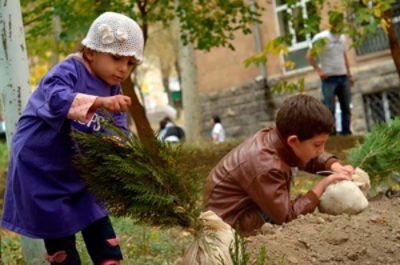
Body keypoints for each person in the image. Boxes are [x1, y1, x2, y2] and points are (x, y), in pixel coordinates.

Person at [1, 12, 144, 264]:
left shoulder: (113, 86)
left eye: (131, 63)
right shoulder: (69, 70)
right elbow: (56, 99)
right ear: (90, 53)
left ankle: (108, 259)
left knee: (97, 218)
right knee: (59, 233)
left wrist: (121, 148)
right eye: (117, 58)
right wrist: (99, 102)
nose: (123, 68)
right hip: (42, 165)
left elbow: (115, 128)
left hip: (76, 165)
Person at [204, 95, 353, 236]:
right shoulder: (266, 166)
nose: (321, 150)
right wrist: (322, 185)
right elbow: (287, 216)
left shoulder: (279, 139)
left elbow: (305, 156)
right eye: (318, 145)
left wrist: (333, 166)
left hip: (246, 208)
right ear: (293, 141)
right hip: (230, 223)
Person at [306, 11, 353, 135]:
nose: (339, 24)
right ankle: (331, 134)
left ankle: (346, 132)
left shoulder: (342, 37)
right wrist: (319, 70)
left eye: (340, 22)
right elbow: (309, 56)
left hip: (343, 77)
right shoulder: (321, 38)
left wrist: (349, 74)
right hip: (329, 78)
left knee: (346, 108)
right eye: (337, 22)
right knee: (329, 109)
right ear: (332, 23)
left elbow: (344, 56)